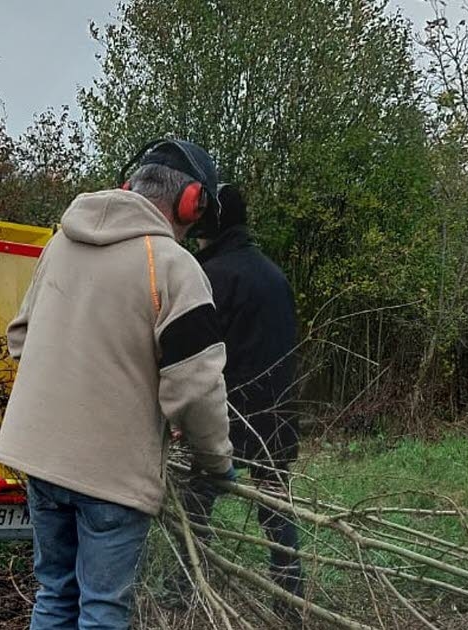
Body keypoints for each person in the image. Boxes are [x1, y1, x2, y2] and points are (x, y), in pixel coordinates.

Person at [0, 138, 236, 629]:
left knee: (55, 595)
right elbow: (196, 388)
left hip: (39, 459)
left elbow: (20, 338)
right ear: (193, 202)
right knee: (102, 610)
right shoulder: (173, 266)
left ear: (129, 186)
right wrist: (216, 463)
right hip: (111, 473)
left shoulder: (60, 243)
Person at [183, 182, 303, 598]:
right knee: (277, 508)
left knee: (196, 502)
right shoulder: (273, 273)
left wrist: (187, 419)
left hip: (227, 414)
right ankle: (290, 595)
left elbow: (197, 356)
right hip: (277, 414)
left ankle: (185, 586)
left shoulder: (209, 276)